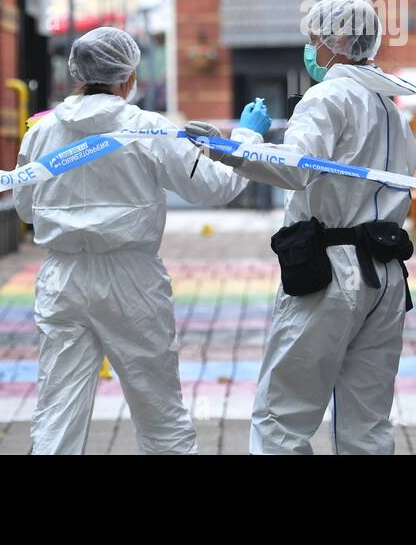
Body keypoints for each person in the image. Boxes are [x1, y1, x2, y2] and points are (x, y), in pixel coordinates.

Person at [190, 0, 416, 454]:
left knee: (282, 417)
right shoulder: (391, 107)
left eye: (314, 39)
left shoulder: (328, 96)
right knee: (367, 423)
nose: (310, 49)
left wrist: (235, 145)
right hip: (386, 274)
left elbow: (297, 168)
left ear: (335, 41)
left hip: (330, 273)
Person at [14, 26, 260, 454]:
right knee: (158, 409)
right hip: (131, 280)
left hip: (61, 277)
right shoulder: (148, 128)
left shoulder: (42, 131)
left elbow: (24, 208)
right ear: (129, 78)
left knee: (57, 411)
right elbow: (216, 188)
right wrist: (246, 140)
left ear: (78, 74)